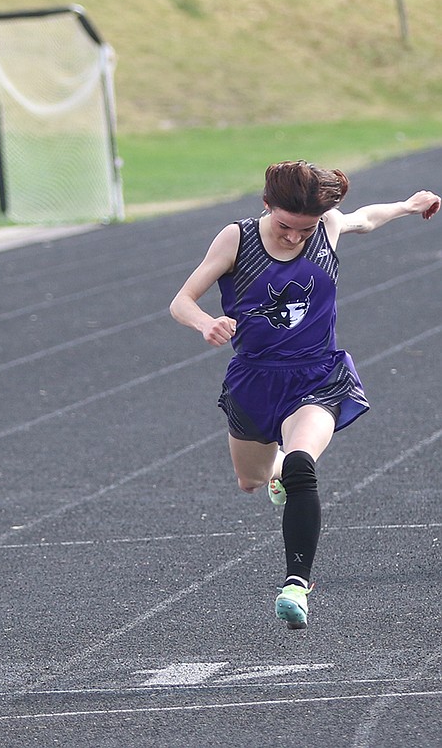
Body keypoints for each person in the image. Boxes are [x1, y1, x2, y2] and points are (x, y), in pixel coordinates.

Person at [169, 160, 439, 630]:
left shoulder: (326, 226)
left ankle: (296, 585)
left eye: (305, 229)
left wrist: (408, 206)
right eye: (286, 227)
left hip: (318, 376)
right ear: (267, 206)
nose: (295, 237)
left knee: (301, 464)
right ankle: (271, 470)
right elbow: (182, 301)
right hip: (254, 380)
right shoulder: (237, 238)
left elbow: (365, 219)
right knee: (251, 481)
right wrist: (206, 322)